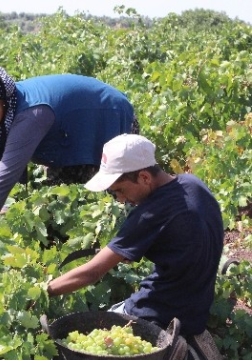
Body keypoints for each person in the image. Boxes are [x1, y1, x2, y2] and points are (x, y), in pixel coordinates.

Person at [47, 134, 223, 357]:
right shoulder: (194, 185)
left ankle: (166, 346)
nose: (120, 200)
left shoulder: (149, 214)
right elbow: (185, 235)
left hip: (157, 312)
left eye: (120, 190)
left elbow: (91, 273)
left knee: (100, 331)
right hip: (195, 309)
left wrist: (44, 291)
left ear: (144, 177)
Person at [0, 57, 138, 215]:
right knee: (62, 201)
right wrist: (8, 206)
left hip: (108, 115)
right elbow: (13, 169)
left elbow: (4, 178)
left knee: (120, 196)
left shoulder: (29, 115)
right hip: (70, 133)